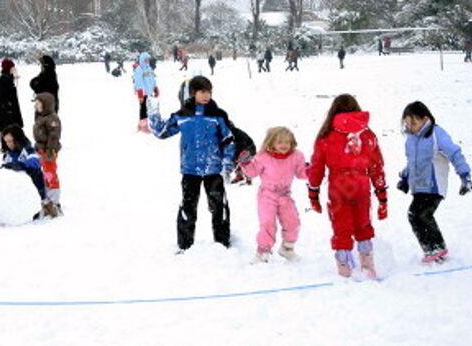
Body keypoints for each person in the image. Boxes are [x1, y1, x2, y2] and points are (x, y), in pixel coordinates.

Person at [148, 75, 235, 252]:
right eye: (202, 91)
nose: (206, 95)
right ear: (193, 93)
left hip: (213, 170)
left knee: (218, 206)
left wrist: (227, 164)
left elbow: (228, 140)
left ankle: (222, 242)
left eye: (209, 91)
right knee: (188, 207)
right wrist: (153, 113)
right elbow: (161, 132)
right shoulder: (182, 115)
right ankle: (185, 245)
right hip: (190, 170)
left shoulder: (217, 115)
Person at [307, 94, 387, 279]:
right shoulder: (367, 134)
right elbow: (376, 166)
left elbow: (317, 167)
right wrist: (382, 196)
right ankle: (368, 265)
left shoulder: (326, 136)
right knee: (363, 224)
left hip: (338, 188)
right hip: (361, 186)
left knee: (341, 227)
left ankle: (344, 267)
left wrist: (314, 193)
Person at [397, 101, 472, 264]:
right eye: (407, 123)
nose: (411, 127)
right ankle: (433, 250)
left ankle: (436, 248)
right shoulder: (410, 139)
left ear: (425, 119)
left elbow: (455, 153)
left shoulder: (437, 134)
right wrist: (404, 178)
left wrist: (464, 176)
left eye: (414, 123)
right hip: (419, 186)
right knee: (417, 215)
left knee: (418, 214)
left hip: (433, 185)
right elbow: (412, 162)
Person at [238, 127, 307, 263]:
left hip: (285, 195)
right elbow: (252, 173)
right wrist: (245, 163)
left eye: (287, 142)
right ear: (271, 142)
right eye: (280, 142)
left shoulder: (296, 156)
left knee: (293, 222)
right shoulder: (263, 157)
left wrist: (311, 170)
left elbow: (301, 173)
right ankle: (263, 252)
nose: (284, 145)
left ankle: (287, 248)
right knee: (268, 223)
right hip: (267, 195)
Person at [0, 124, 60, 219]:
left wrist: (23, 164)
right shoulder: (7, 156)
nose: (9, 144)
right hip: (16, 191)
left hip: (33, 189)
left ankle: (45, 205)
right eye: (6, 142)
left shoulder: (27, 150)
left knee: (34, 172)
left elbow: (35, 161)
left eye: (11, 141)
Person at [33, 93, 63, 213]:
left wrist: (50, 150)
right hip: (41, 149)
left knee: (50, 174)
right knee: (44, 174)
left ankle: (54, 201)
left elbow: (54, 136)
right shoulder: (41, 116)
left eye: (38, 103)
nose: (36, 105)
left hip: (48, 151)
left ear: (46, 105)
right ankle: (46, 199)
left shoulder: (52, 118)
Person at [132, 52, 159, 133]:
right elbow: (138, 82)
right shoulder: (139, 69)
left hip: (149, 92)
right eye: (146, 59)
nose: (147, 61)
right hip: (143, 93)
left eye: (148, 59)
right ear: (142, 60)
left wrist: (155, 88)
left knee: (149, 108)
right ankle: (142, 125)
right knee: (143, 108)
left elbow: (153, 80)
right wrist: (140, 93)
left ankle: (147, 123)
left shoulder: (149, 68)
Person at [0, 58, 24, 132]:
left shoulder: (8, 78)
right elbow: (4, 96)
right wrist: (9, 109)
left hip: (11, 109)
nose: (14, 69)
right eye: (12, 67)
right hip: (8, 112)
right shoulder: (3, 79)